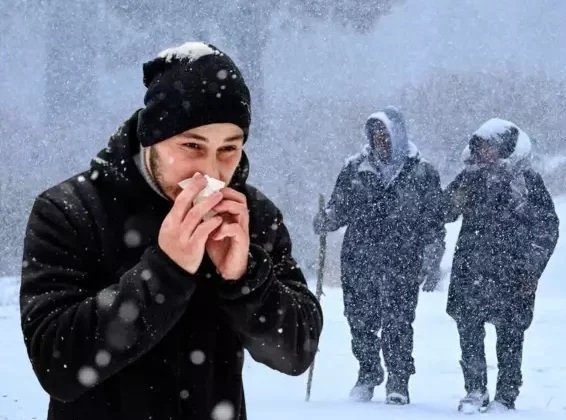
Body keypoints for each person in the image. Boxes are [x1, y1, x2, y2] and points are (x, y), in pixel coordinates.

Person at [19, 42, 323, 420]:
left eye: (229, 148)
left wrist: (244, 278)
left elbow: (297, 352)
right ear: (152, 140)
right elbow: (56, 366)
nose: (211, 171)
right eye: (192, 146)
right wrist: (166, 271)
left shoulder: (251, 216)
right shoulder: (69, 210)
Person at [313, 106, 445, 405]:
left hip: (403, 259)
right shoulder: (355, 168)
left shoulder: (422, 172)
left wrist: (432, 258)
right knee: (360, 319)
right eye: (374, 135)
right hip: (359, 257)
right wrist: (327, 219)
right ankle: (368, 372)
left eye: (385, 134)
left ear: (398, 134)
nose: (380, 140)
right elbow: (339, 208)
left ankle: (398, 381)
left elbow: (434, 221)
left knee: (398, 321)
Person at [443, 118, 559, 413]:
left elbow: (547, 228)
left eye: (491, 146)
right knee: (468, 329)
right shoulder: (469, 178)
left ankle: (506, 397)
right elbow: (444, 212)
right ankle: (475, 390)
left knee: (510, 335)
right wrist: (448, 200)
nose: (486, 152)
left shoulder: (527, 182)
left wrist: (532, 268)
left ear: (506, 147)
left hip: (513, 272)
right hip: (472, 268)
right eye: (481, 146)